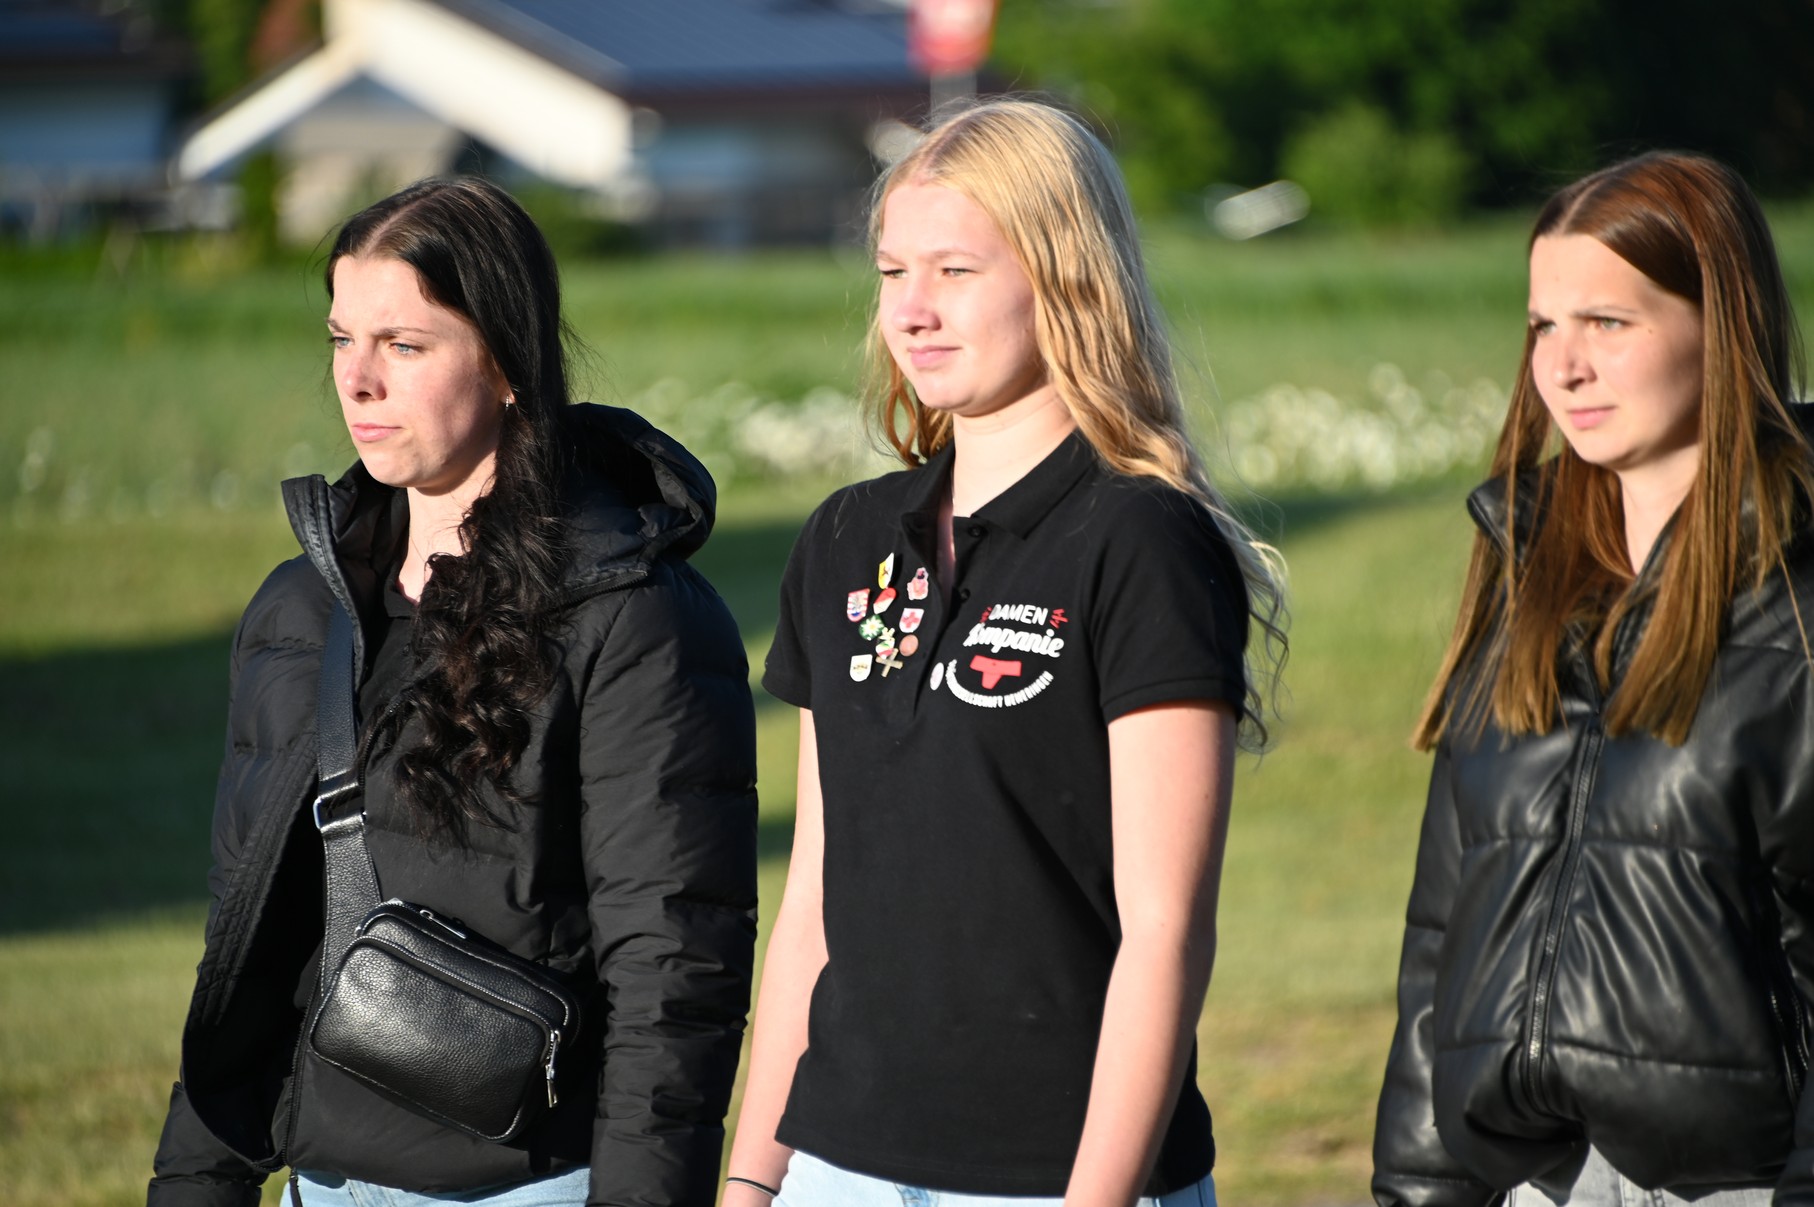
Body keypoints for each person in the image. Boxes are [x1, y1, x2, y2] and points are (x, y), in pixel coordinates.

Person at [146, 177, 758, 1207]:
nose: (358, 380)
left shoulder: (633, 617)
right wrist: (196, 1180)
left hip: (529, 1186)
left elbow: (673, 968)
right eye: (342, 339)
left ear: (508, 362)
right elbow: (246, 942)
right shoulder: (302, 608)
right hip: (320, 1182)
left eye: (404, 344)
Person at [723, 99, 1287, 1207]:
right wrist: (752, 1180)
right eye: (893, 272)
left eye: (955, 270)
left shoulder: (1139, 540)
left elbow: (1165, 931)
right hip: (836, 1168)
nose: (912, 309)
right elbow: (813, 903)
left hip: (1055, 1176)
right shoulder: (844, 538)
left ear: (1066, 278)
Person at [1372, 151, 1814, 1207]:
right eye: (1542, 325)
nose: (1562, 366)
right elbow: (1442, 934)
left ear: (1724, 327)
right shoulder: (1522, 573)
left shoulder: (1798, 605)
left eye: (1607, 323)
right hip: (1540, 1185)